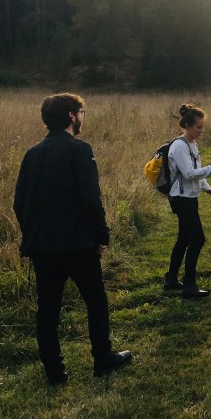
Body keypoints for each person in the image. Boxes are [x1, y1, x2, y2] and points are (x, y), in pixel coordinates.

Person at [13, 92, 132, 386]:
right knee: (95, 300)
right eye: (81, 113)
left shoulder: (31, 154)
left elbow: (19, 203)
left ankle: (54, 373)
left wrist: (33, 233)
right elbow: (91, 199)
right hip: (77, 244)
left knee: (48, 308)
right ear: (71, 116)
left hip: (42, 245)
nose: (82, 118)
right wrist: (102, 234)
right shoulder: (79, 150)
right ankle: (103, 360)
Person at [163, 103, 211, 299]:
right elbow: (190, 174)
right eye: (199, 127)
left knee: (184, 238)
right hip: (181, 199)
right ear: (187, 126)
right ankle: (189, 285)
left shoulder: (192, 144)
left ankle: (171, 278)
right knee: (197, 239)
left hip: (190, 197)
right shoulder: (179, 146)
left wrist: (207, 188)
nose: (201, 131)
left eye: (203, 127)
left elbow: (196, 172)